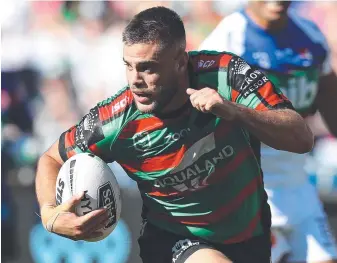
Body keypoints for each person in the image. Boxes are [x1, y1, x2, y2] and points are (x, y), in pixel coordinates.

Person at [35, 6, 314, 263]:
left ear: (181, 61)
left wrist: (235, 111)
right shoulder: (114, 121)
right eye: (129, 66)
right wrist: (49, 214)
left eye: (148, 68)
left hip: (251, 234)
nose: (135, 80)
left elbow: (301, 138)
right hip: (174, 241)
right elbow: (51, 158)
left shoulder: (225, 75)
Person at [199, 1, 337, 263]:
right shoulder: (228, 38)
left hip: (299, 187)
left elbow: (332, 107)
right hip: (249, 194)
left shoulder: (311, 36)